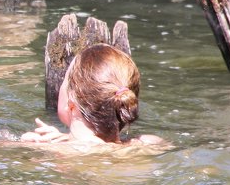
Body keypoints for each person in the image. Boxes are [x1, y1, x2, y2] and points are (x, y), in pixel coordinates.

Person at [19, 43, 164, 148]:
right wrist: (67, 138)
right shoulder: (145, 145)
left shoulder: (49, 149)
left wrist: (25, 143)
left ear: (71, 104)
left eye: (64, 80)